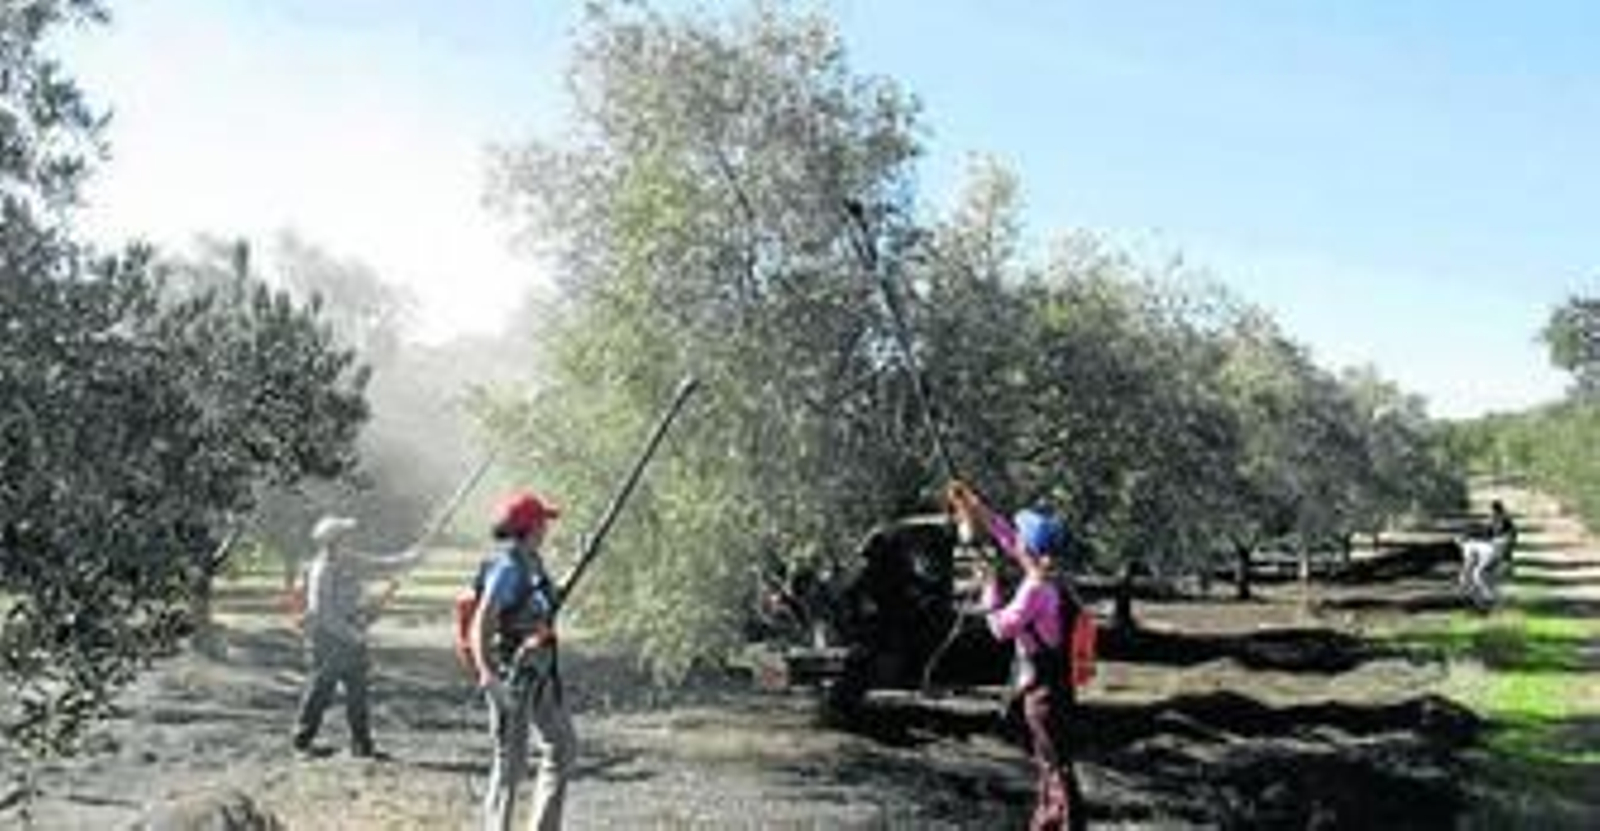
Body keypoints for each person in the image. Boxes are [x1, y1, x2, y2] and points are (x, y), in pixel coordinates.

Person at [948, 482, 1086, 831]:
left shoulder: (1034, 589)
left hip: (1043, 693)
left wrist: (989, 587)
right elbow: (1010, 539)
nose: (1015, 540)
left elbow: (1000, 629)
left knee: (1054, 765)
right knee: (1053, 762)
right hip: (1058, 687)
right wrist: (977, 507)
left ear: (1031, 548)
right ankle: (1050, 822)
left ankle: (1064, 823)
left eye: (1022, 538)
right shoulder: (1052, 578)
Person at [472, 491, 576, 831]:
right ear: (531, 526)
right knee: (510, 764)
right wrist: (488, 674)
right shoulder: (506, 567)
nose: (547, 527)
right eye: (543, 521)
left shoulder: (533, 561)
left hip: (542, 671)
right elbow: (481, 623)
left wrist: (579, 562)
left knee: (562, 748)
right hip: (512, 676)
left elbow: (545, 602)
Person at [291, 515, 422, 758]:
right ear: (334, 541)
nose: (352, 538)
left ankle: (361, 744)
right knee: (321, 691)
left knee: (358, 693)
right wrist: (351, 635)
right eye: (346, 535)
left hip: (350, 635)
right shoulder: (323, 570)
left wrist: (410, 557)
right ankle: (302, 741)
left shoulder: (350, 559)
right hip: (328, 640)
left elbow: (384, 565)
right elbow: (323, 613)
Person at [1459, 500, 1518, 610]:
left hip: (1501, 561)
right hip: (1496, 560)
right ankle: (1484, 603)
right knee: (1476, 576)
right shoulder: (1494, 525)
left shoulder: (1507, 529)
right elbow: (1483, 534)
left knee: (1478, 575)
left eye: (1494, 514)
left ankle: (1490, 601)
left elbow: (1504, 545)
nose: (1491, 517)